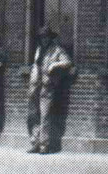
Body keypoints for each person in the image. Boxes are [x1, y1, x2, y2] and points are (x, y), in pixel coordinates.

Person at [27, 26, 73, 154]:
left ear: (50, 38)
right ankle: (34, 143)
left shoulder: (57, 50)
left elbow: (68, 62)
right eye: (42, 37)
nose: (44, 40)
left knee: (45, 115)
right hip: (35, 86)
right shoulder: (38, 49)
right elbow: (35, 65)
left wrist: (54, 65)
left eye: (46, 37)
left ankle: (44, 145)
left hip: (47, 87)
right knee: (34, 115)